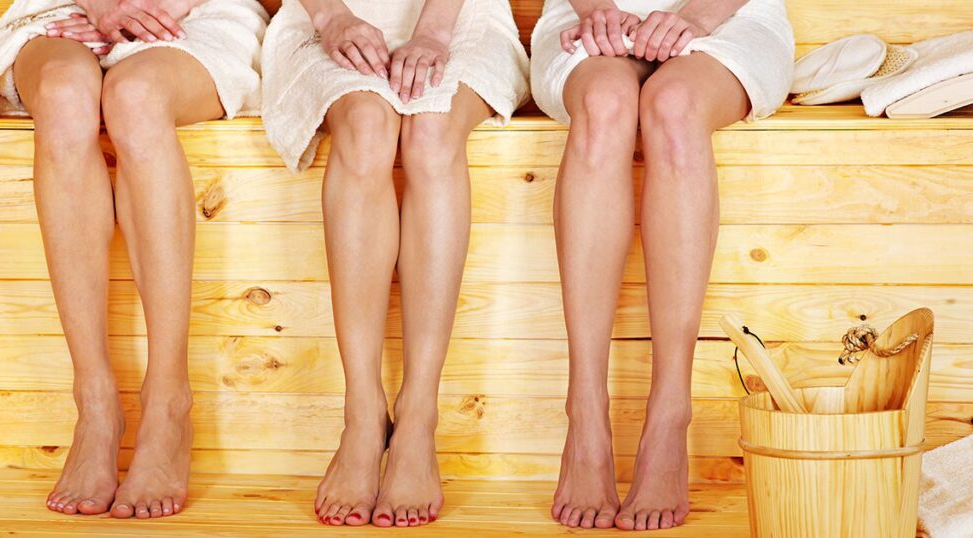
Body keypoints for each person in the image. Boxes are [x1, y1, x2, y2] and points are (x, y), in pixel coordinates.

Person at [0, 0, 270, 519]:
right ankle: (95, 405)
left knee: (136, 95)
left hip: (198, 11)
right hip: (64, 8)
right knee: (62, 94)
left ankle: (169, 403)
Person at [261, 0, 529, 527]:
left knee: (432, 129)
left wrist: (433, 31)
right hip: (323, 15)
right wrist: (331, 17)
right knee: (364, 127)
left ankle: (418, 415)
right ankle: (362, 415)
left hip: (461, 17)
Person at [529, 0, 793, 531]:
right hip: (588, 15)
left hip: (730, 16)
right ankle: (584, 414)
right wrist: (598, 9)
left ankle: (671, 414)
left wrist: (697, 17)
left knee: (674, 104)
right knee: (603, 101)